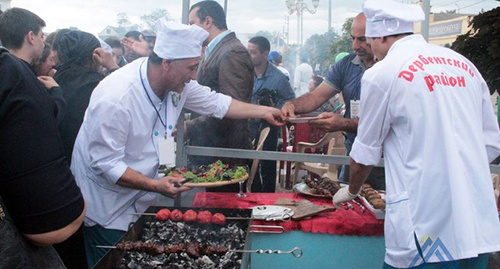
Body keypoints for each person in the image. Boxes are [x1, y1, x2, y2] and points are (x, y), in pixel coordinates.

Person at [71, 20, 284, 267]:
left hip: (141, 199)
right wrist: (155, 184)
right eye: (191, 68)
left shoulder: (177, 84)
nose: (194, 75)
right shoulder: (116, 97)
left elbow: (218, 103)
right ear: (167, 62)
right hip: (107, 208)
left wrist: (264, 111)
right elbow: (106, 165)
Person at [332, 0, 500, 268]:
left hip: (425, 230)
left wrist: (352, 191)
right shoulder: (464, 65)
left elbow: (365, 153)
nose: (369, 50)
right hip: (476, 223)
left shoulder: (382, 74)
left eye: (369, 40)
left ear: (383, 36)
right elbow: (491, 143)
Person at [0, 8, 85, 268]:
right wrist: (57, 94)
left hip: (45, 211)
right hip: (42, 215)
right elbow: (50, 121)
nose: (45, 41)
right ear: (31, 37)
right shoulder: (11, 70)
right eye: (42, 35)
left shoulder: (18, 73)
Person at [281, 13, 385, 190]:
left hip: (387, 156)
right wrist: (292, 105)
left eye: (361, 39)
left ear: (380, 37)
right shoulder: (346, 64)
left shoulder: (391, 68)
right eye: (353, 38)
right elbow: (316, 96)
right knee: (348, 207)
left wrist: (343, 123)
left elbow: (383, 124)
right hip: (353, 150)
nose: (355, 46)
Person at [187, 0, 255, 189]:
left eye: (192, 24)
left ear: (208, 21)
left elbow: (232, 106)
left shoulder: (232, 51)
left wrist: (190, 127)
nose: (190, 30)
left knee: (221, 212)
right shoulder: (216, 50)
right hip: (212, 148)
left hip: (224, 151)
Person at [54, 30, 119, 164]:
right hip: (87, 158)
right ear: (94, 57)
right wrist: (113, 67)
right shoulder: (96, 84)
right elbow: (126, 97)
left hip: (60, 155)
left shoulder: (57, 77)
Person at [247, 36, 295, 192]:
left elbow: (290, 100)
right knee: (247, 164)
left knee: (267, 165)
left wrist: (277, 108)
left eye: (253, 52)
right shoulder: (244, 73)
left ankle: (267, 200)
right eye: (248, 51)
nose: (249, 56)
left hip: (268, 127)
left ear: (265, 53)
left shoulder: (278, 78)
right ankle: (254, 198)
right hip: (246, 126)